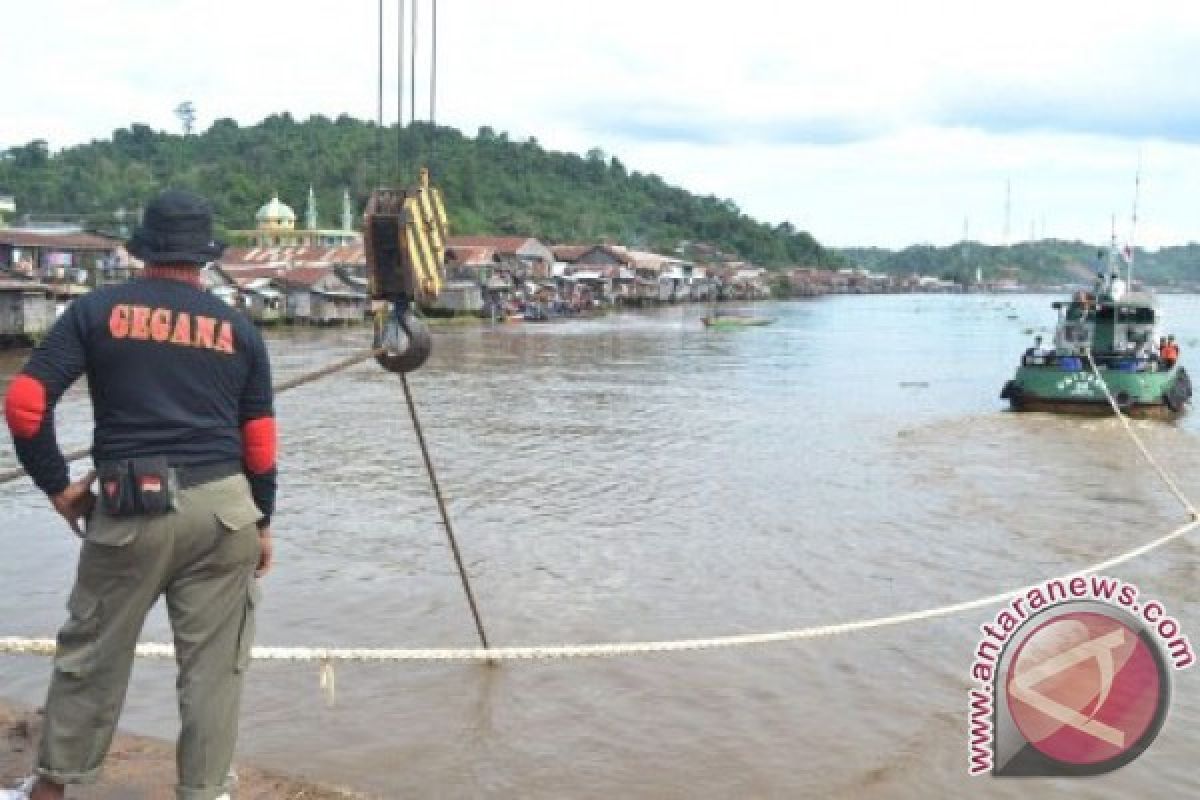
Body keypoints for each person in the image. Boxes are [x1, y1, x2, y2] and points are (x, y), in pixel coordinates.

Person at [2, 190, 277, 800]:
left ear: (144, 251)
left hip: (132, 508)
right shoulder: (239, 329)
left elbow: (24, 405)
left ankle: (51, 790)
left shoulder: (95, 311)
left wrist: (56, 486)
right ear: (204, 258)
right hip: (225, 512)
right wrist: (263, 524)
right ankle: (204, 793)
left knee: (94, 653)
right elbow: (258, 441)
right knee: (213, 672)